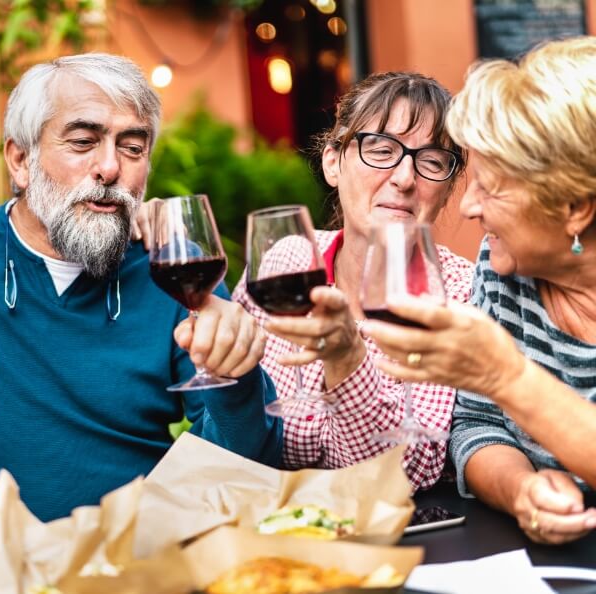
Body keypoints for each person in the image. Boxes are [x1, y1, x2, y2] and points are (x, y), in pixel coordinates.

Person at [0, 53, 282, 564]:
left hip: (144, 573)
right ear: (20, 161)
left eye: (132, 147)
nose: (111, 167)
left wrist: (235, 378)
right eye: (83, 142)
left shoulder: (172, 270)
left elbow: (251, 464)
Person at [363, 37, 596, 544]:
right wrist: (521, 489)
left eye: (490, 186)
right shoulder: (503, 266)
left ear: (576, 207)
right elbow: (475, 421)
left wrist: (506, 375)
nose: (467, 206)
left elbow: (503, 388)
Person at [230, 72, 474, 489]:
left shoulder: (461, 292)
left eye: (431, 161)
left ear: (447, 186)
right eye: (380, 150)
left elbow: (405, 474)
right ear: (332, 163)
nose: (404, 178)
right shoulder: (285, 263)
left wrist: (347, 360)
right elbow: (236, 436)